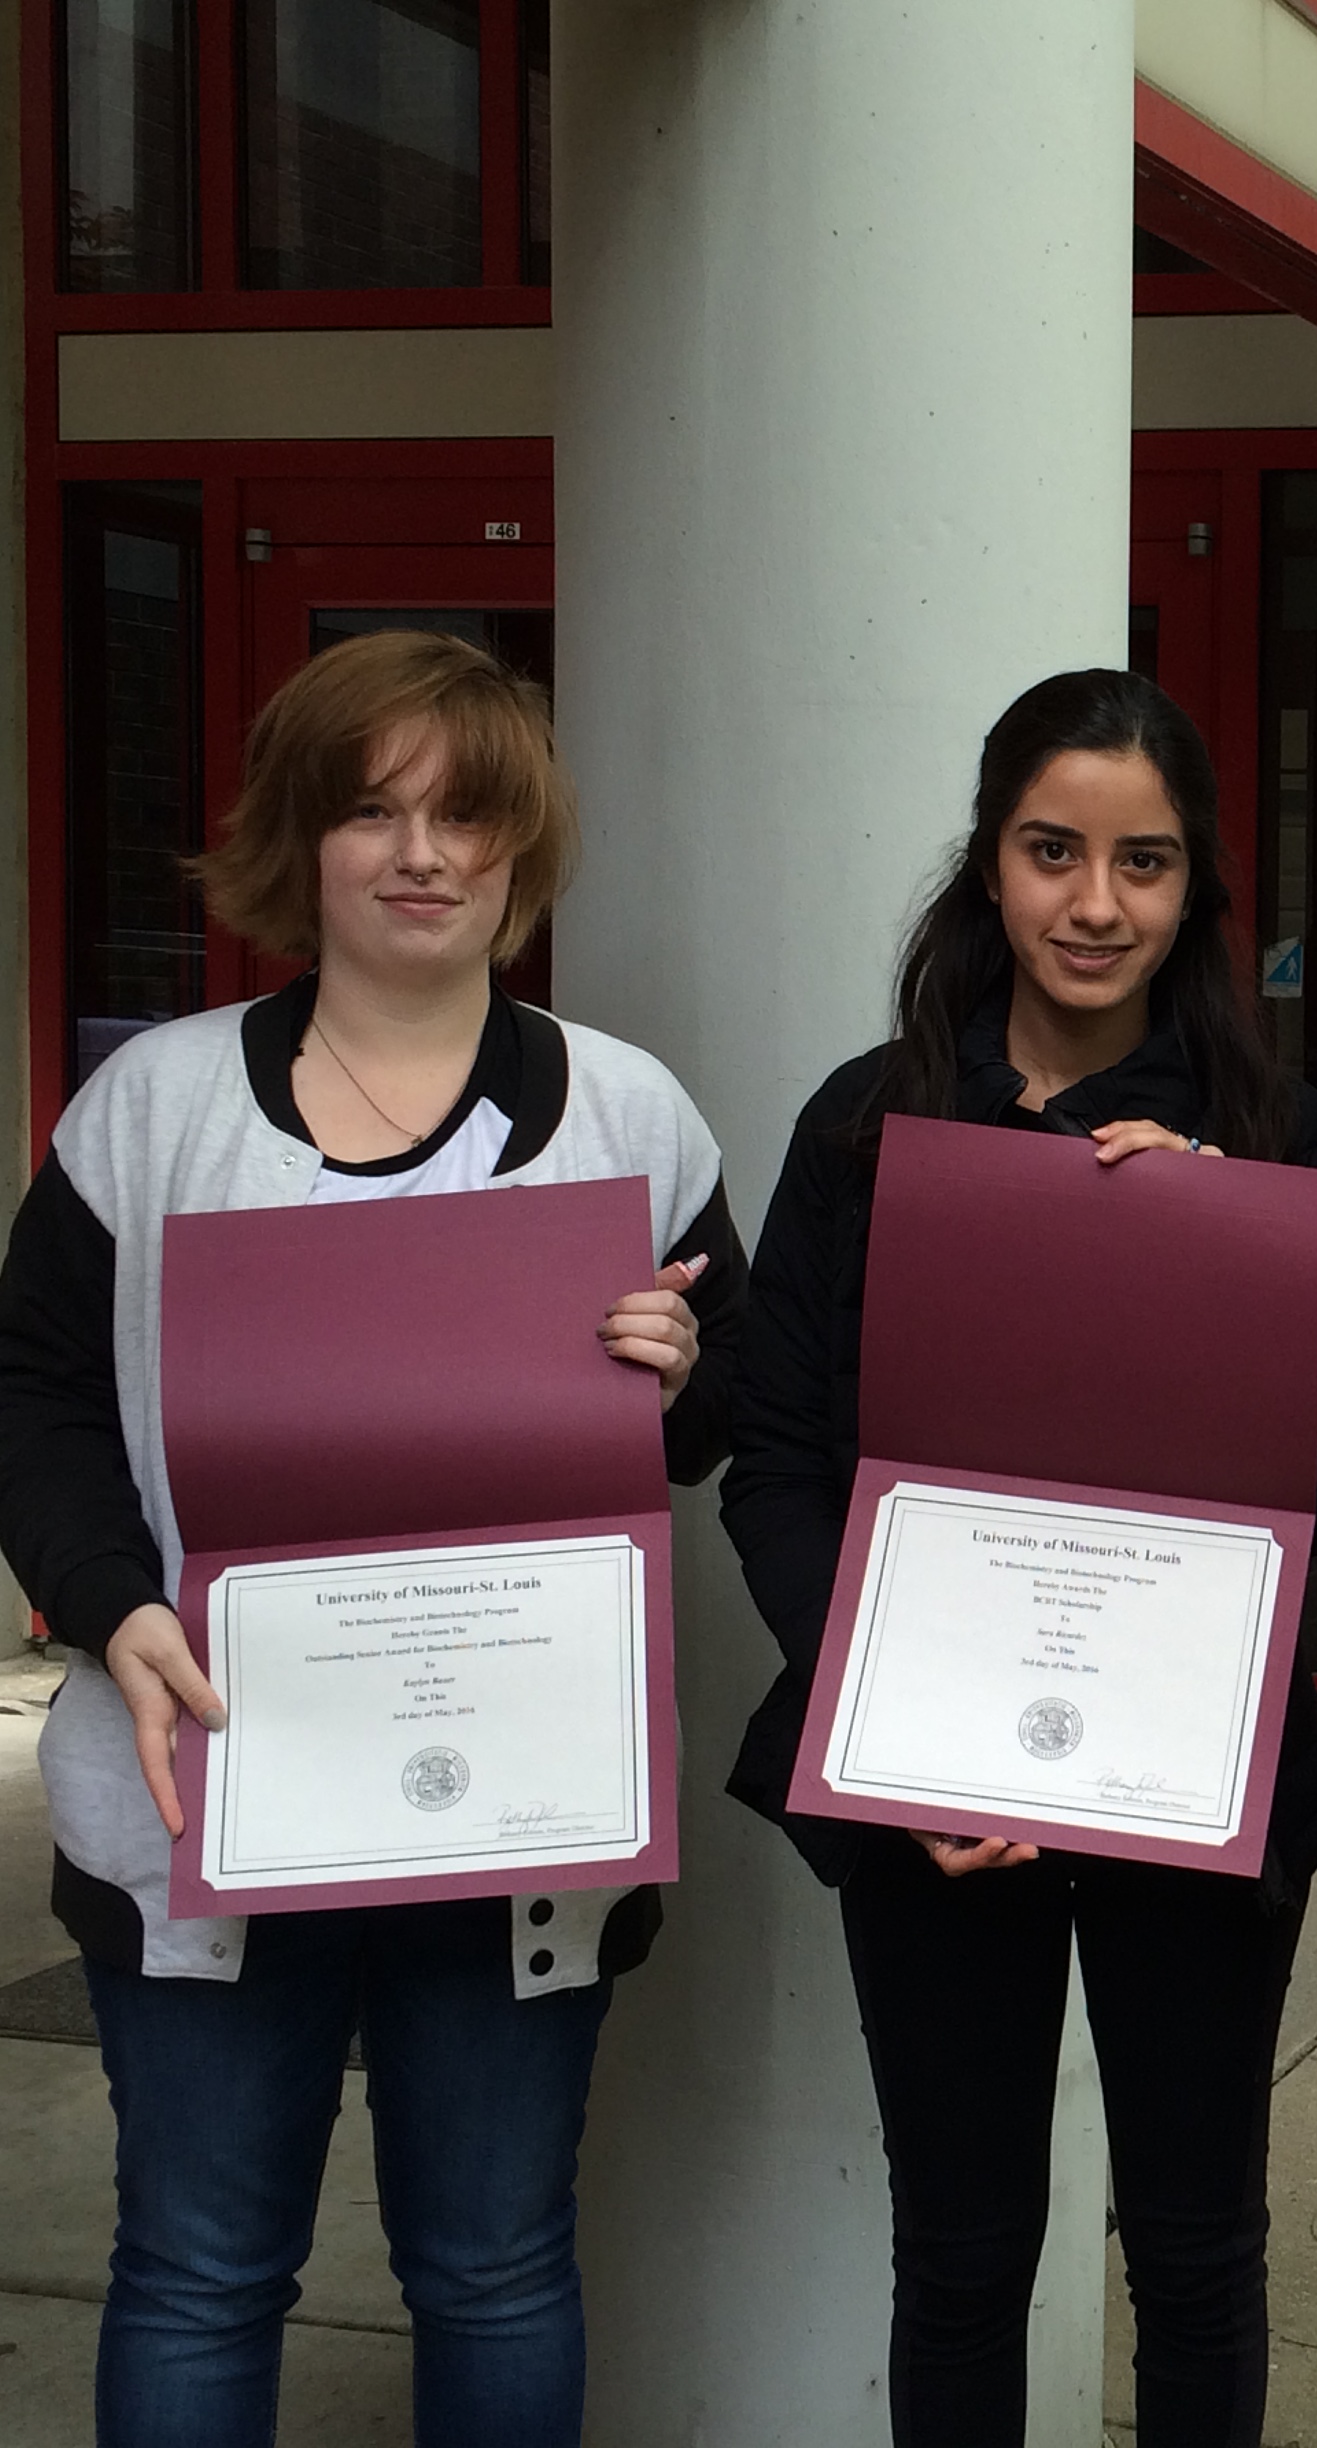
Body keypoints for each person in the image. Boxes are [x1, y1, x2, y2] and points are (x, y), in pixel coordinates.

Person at [0, 628, 746, 2448]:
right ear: (299, 844)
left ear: (520, 847)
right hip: (205, 1775)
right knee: (195, 2265)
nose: (419, 852)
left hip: (516, 1810)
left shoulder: (628, 1113)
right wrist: (110, 1608)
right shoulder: (154, 1110)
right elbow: (34, 1398)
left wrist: (683, 1363)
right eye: (370, 811)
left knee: (492, 2262)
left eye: (462, 815)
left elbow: (728, 1423)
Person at [718, 668, 1317, 2448]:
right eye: (1053, 853)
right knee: (959, 2250)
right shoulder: (867, 1129)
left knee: (1194, 2249)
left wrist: (1220, 1261)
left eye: (1146, 865)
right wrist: (880, 1704)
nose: (1098, 906)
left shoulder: (1277, 1143)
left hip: (1192, 1759)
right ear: (989, 869)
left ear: (1196, 892)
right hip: (935, 1777)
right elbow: (778, 1458)